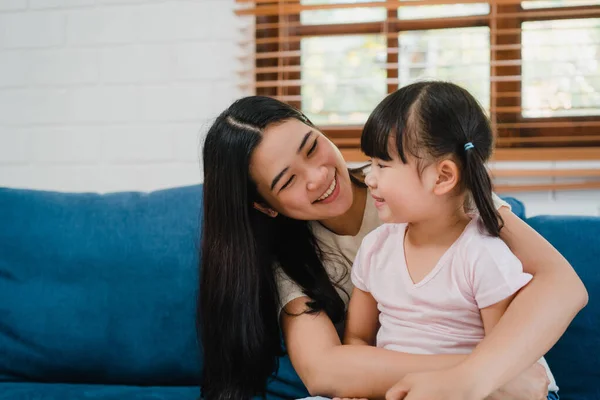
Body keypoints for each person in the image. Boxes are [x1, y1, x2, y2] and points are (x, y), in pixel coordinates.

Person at [198, 94, 587, 400]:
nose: (318, 176)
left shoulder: (426, 188)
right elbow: (324, 370)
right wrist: (487, 376)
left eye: (311, 147)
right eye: (288, 181)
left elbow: (562, 285)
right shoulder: (291, 260)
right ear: (265, 205)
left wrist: (477, 378)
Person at [342, 81, 559, 400]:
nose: (370, 178)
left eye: (383, 165)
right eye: (371, 164)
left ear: (442, 177)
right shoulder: (375, 247)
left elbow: (504, 363)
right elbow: (357, 339)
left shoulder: (482, 255)